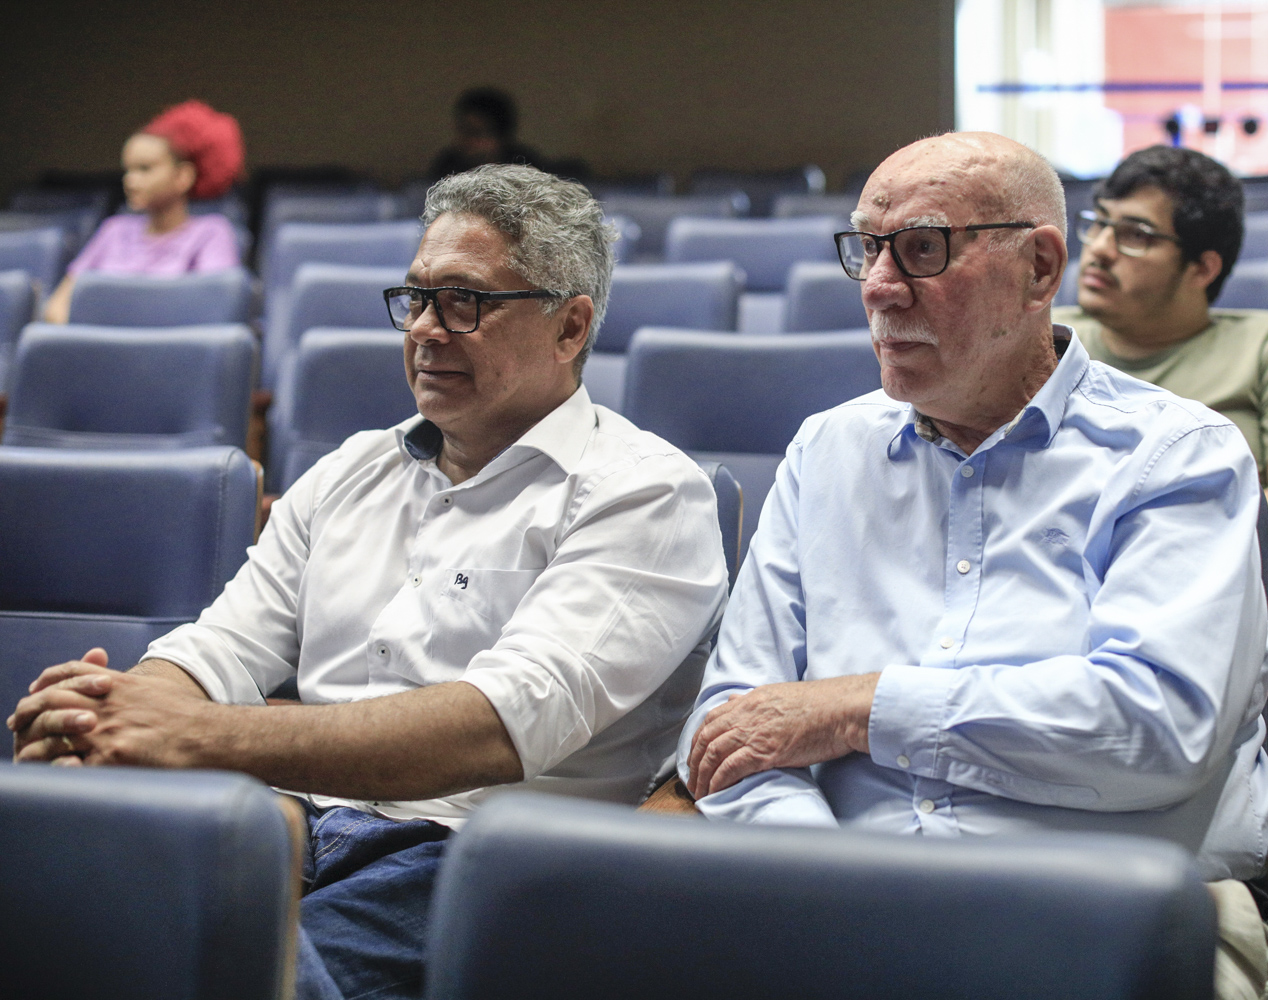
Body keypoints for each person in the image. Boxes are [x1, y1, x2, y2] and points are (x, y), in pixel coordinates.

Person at [10, 164, 729, 1000]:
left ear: (569, 328)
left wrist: (187, 736)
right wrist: (112, 717)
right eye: (415, 298)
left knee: (177, 966)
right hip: (283, 823)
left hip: (475, 860)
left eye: (465, 302)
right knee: (59, 913)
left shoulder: (643, 491)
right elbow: (223, 645)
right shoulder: (351, 468)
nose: (426, 329)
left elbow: (494, 729)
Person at [659, 133, 1268, 1000]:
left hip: (1104, 916)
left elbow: (1156, 730)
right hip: (827, 902)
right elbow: (735, 721)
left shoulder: (1179, 458)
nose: (877, 285)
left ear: (1038, 266)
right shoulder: (829, 449)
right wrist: (823, 882)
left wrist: (857, 707)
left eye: (920, 248)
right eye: (867, 248)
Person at [1054, 145, 1268, 561]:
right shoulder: (1047, 336)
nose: (1100, 249)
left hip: (1196, 590)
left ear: (1203, 269)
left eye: (1135, 236)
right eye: (1099, 224)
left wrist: (1151, 549)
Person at [42, 100, 245, 324]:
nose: (130, 181)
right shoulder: (114, 230)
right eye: (128, 170)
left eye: (145, 169)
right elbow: (58, 306)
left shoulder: (212, 232)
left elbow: (215, 310)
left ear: (183, 176)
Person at [428, 87, 546, 180]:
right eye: (462, 130)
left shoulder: (526, 165)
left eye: (476, 133)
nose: (467, 140)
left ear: (500, 136)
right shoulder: (448, 165)